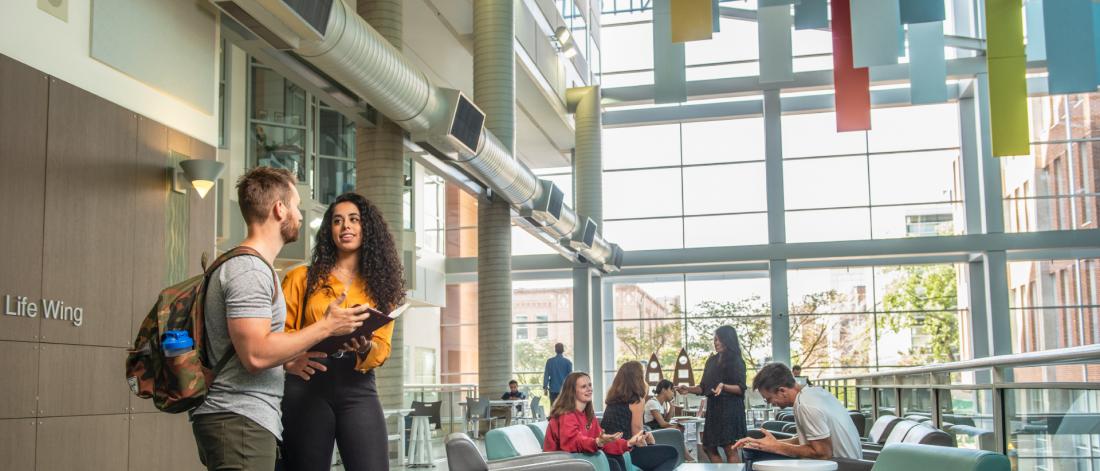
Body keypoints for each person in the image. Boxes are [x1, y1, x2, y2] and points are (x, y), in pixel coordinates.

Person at [191, 167, 371, 471]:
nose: (300, 216)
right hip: (240, 419)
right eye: (297, 205)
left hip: (242, 419)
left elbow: (252, 348)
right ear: (279, 209)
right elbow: (256, 355)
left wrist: (289, 359)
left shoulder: (248, 267)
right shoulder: (250, 271)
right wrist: (327, 325)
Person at [280, 192, 406, 471]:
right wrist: (290, 361)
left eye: (353, 219)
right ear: (329, 231)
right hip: (308, 383)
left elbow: (382, 349)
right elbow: (279, 334)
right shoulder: (301, 278)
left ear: (367, 229)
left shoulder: (382, 289)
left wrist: (364, 347)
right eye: (337, 221)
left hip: (358, 386)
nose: (345, 226)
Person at [734, 363, 861, 460]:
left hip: (843, 466)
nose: (771, 403)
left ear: (782, 391)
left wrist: (777, 447)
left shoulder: (806, 406)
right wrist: (765, 444)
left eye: (769, 399)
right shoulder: (811, 393)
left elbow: (823, 453)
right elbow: (809, 440)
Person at [543, 372, 650, 471]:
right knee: (612, 463)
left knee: (616, 458)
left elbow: (603, 442)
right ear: (572, 391)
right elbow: (573, 442)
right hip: (561, 463)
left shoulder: (588, 415)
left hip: (580, 459)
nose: (589, 389)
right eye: (584, 386)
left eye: (590, 385)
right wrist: (598, 442)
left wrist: (628, 443)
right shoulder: (565, 414)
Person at [676, 325, 747, 463]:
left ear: (728, 340)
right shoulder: (711, 361)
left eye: (719, 339)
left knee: (729, 447)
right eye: (715, 339)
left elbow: (740, 388)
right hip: (714, 409)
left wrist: (724, 386)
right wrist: (688, 389)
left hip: (731, 409)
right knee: (708, 447)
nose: (716, 342)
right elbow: (703, 387)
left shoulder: (737, 361)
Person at [602, 362, 680, 471]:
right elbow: (637, 435)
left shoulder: (613, 400)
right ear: (637, 379)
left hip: (607, 451)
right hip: (625, 451)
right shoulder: (636, 400)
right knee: (672, 453)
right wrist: (651, 443)